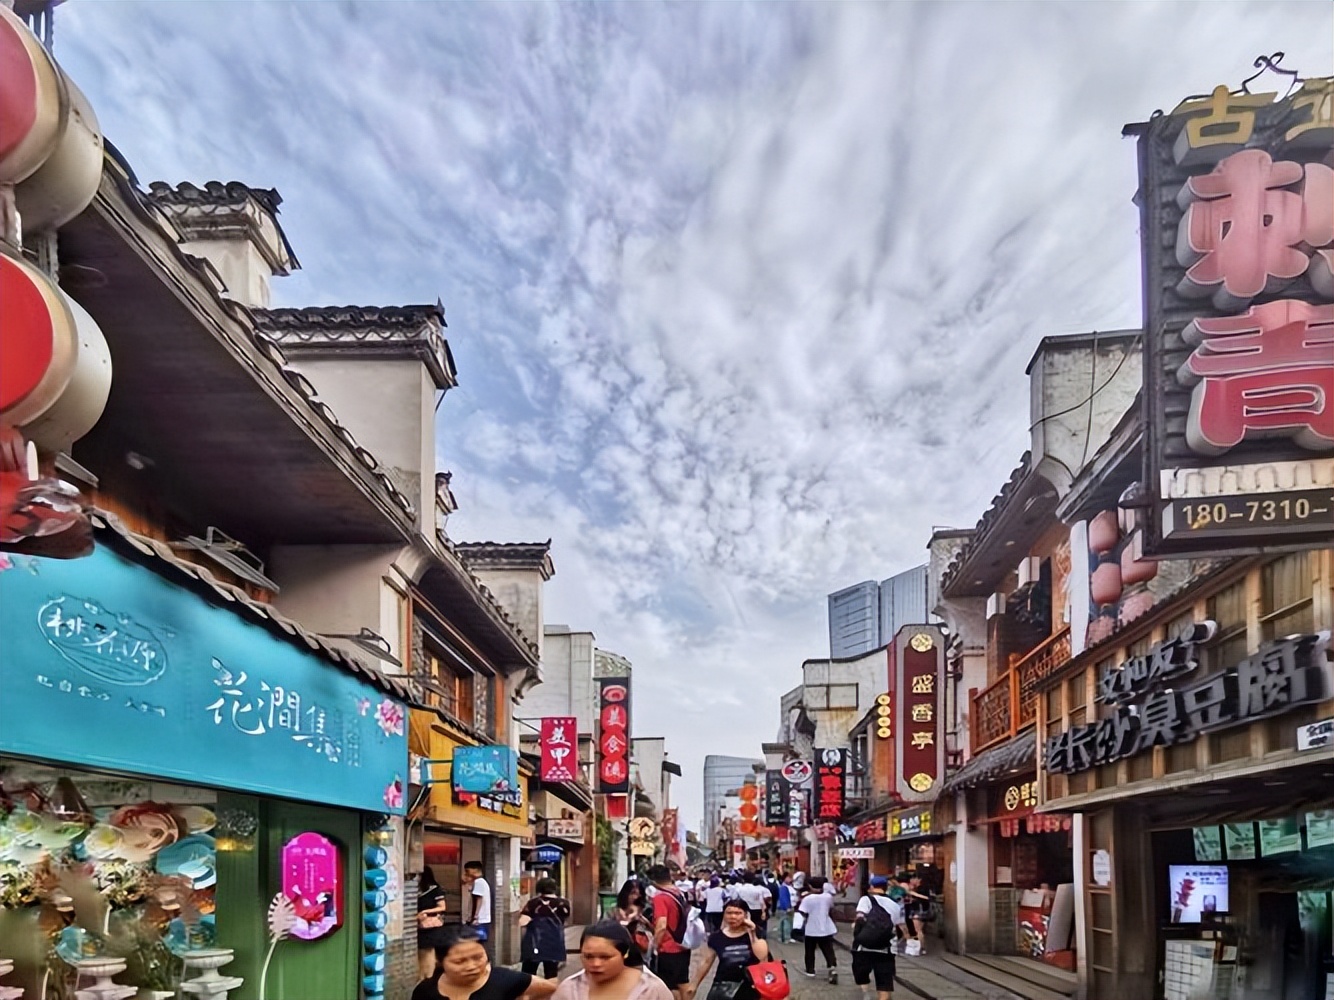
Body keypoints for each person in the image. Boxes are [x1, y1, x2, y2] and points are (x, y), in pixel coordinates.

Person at [412, 923, 557, 1000]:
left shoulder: (505, 980)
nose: (471, 966)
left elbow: (552, 988)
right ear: (440, 961)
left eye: (478, 957)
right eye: (459, 961)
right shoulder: (425, 992)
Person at [552, 922, 674, 1000]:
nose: (595, 964)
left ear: (625, 953)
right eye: (588, 956)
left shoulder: (651, 990)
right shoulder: (570, 988)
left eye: (605, 957)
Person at [684, 898, 770, 1000]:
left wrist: (752, 933)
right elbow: (706, 961)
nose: (733, 917)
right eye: (729, 913)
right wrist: (694, 985)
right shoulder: (716, 937)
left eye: (738, 913)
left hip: (751, 986)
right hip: (723, 987)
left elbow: (762, 957)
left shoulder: (756, 933)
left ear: (746, 915)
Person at [851, 875, 904, 1000]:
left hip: (864, 946)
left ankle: (866, 994)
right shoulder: (895, 905)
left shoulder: (866, 900)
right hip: (887, 948)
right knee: (884, 981)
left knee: (861, 972)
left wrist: (856, 930)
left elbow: (859, 918)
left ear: (871, 887)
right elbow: (899, 926)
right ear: (886, 888)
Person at [648, 863, 692, 1000]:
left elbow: (662, 925)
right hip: (682, 944)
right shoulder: (679, 893)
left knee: (670, 986)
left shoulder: (660, 898)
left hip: (668, 947)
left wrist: (654, 946)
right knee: (682, 982)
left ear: (653, 881)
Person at [520, 878, 571, 980]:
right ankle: (550, 994)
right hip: (555, 942)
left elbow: (522, 922)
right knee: (551, 973)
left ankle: (529, 995)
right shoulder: (564, 903)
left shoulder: (533, 903)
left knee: (528, 973)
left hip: (535, 942)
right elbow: (565, 919)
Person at [795, 875, 838, 984]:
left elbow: (802, 912)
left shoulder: (807, 899)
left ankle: (810, 970)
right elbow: (831, 908)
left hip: (811, 928)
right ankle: (832, 967)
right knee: (828, 949)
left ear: (810, 886)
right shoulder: (828, 897)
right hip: (826, 927)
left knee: (810, 951)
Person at [417, 867, 450, 980]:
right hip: (419, 926)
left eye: (419, 875)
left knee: (428, 952)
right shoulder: (417, 890)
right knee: (422, 953)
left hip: (430, 927)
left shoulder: (434, 889)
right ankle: (423, 977)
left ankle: (427, 977)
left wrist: (425, 911)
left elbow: (442, 907)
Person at [611, 878, 656, 958]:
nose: (635, 897)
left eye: (638, 894)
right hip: (618, 947)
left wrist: (645, 922)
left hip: (641, 950)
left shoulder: (647, 909)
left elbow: (655, 930)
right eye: (632, 893)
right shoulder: (615, 910)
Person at [464, 860, 494, 958]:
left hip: (479, 920)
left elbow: (478, 899)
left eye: (468, 871)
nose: (466, 873)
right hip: (482, 920)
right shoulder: (481, 882)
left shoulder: (479, 882)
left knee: (476, 944)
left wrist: (475, 917)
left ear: (475, 870)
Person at [734, 875, 770, 939]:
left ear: (743, 880)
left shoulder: (739, 889)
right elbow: (761, 902)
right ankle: (759, 938)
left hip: (744, 909)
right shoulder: (757, 890)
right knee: (757, 925)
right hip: (757, 909)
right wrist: (763, 912)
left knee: (745, 925)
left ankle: (747, 938)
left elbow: (735, 899)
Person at [773, 874, 794, 944]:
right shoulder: (784, 888)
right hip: (784, 908)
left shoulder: (785, 887)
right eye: (789, 877)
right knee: (786, 923)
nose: (791, 879)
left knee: (782, 923)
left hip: (782, 908)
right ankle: (786, 938)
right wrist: (787, 907)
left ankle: (781, 938)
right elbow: (784, 898)